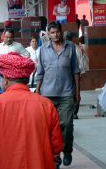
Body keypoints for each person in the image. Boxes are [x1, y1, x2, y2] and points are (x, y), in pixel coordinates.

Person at [36, 21, 80, 166]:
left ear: (61, 32)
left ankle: (67, 151)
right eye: (52, 32)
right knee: (49, 128)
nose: (55, 35)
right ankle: (55, 157)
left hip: (67, 93)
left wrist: (77, 93)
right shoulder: (43, 49)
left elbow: (76, 71)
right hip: (47, 95)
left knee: (67, 124)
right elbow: (40, 73)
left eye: (57, 32)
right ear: (48, 34)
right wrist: (37, 93)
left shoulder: (71, 47)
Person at [63, 31, 85, 119]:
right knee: (76, 92)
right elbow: (81, 63)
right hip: (76, 75)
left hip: (67, 75)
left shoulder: (65, 48)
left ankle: (70, 112)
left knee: (68, 94)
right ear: (72, 38)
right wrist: (81, 74)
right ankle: (75, 113)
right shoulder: (77, 48)